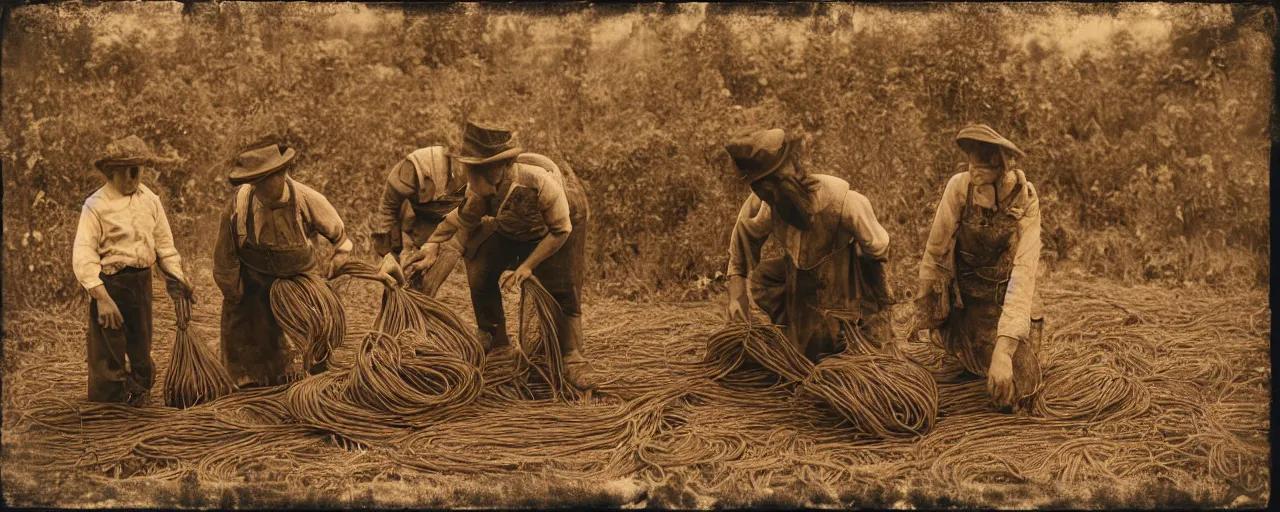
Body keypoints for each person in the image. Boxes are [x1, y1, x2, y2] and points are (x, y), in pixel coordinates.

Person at [407, 122, 601, 390]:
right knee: (479, 267)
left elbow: (561, 229)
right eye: (471, 167)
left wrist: (528, 266)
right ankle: (497, 342)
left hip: (558, 225)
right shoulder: (479, 191)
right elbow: (460, 227)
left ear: (502, 167)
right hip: (511, 225)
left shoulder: (539, 183)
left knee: (563, 287)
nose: (472, 174)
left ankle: (572, 355)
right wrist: (432, 247)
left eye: (480, 168)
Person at [725, 129, 894, 363]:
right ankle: (796, 339)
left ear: (789, 178)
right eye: (763, 192)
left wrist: (880, 316)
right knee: (803, 355)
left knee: (842, 352)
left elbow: (877, 255)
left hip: (845, 287)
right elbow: (743, 238)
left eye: (773, 189)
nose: (769, 197)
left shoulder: (845, 203)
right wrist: (736, 295)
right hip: (801, 287)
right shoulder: (766, 205)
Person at [910, 124, 1046, 412]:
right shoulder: (959, 188)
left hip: (1003, 304)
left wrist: (1005, 349)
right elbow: (935, 252)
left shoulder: (1026, 201)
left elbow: (1023, 277)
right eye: (971, 161)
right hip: (967, 304)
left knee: (1020, 387)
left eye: (983, 162)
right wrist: (925, 310)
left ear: (1003, 165)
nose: (974, 170)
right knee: (956, 366)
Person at [213, 142, 353, 388]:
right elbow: (225, 254)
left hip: (300, 280)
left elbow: (340, 239)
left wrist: (341, 254)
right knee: (246, 330)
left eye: (266, 180)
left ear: (282, 174)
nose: (260, 188)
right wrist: (234, 292)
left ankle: (317, 380)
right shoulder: (239, 205)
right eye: (256, 182)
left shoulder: (307, 199)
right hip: (255, 280)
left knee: (314, 329)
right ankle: (251, 385)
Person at [72, 135, 195, 406]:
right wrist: (102, 299)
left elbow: (164, 244)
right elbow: (83, 255)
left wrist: (177, 278)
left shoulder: (149, 200)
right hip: (110, 285)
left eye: (138, 169)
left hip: (141, 284)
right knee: (108, 349)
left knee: (141, 344)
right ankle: (110, 407)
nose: (134, 176)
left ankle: (140, 395)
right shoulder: (96, 205)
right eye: (128, 170)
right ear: (111, 171)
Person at [370, 145, 468, 296]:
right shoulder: (413, 169)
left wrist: (438, 244)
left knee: (429, 279)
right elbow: (388, 210)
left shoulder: (479, 177)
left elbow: (471, 215)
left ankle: (423, 301)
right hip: (419, 214)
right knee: (399, 272)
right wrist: (389, 253)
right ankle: (399, 301)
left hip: (452, 219)